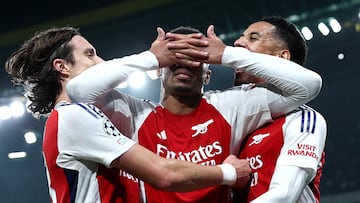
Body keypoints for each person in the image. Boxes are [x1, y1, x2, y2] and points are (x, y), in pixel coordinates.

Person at [66, 25, 322, 203]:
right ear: (159, 70)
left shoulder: (232, 106)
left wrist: (225, 54)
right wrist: (150, 58)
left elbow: (308, 86)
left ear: (207, 74)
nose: (184, 62)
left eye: (194, 56)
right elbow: (79, 90)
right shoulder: (132, 112)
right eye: (175, 56)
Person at [4, 26, 253, 203]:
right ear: (62, 67)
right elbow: (164, 174)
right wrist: (229, 173)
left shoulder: (84, 115)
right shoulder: (73, 117)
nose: (101, 61)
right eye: (90, 54)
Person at [231, 16, 327, 203]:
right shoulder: (230, 116)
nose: (237, 43)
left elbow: (284, 195)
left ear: (281, 57)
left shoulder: (303, 120)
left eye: (253, 38)